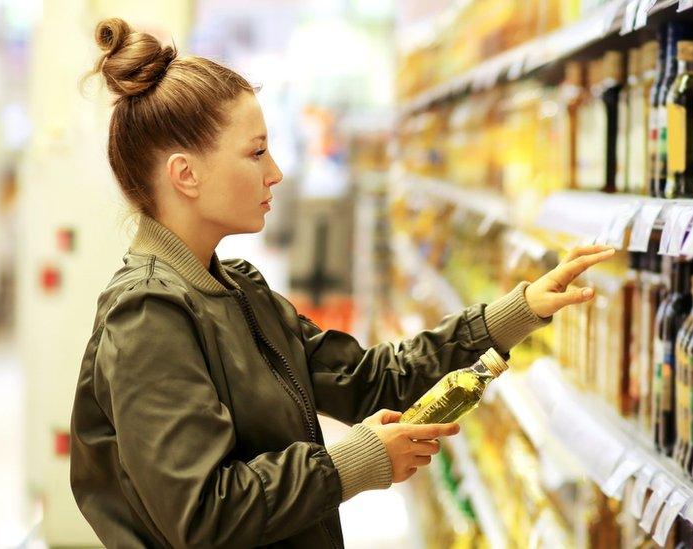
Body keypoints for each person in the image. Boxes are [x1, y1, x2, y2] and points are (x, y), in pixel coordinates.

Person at [69, 17, 615, 549]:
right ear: (185, 174)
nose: (276, 171)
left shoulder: (239, 290)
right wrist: (355, 462)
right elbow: (206, 512)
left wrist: (513, 314)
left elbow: (368, 380)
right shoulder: (146, 316)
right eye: (256, 152)